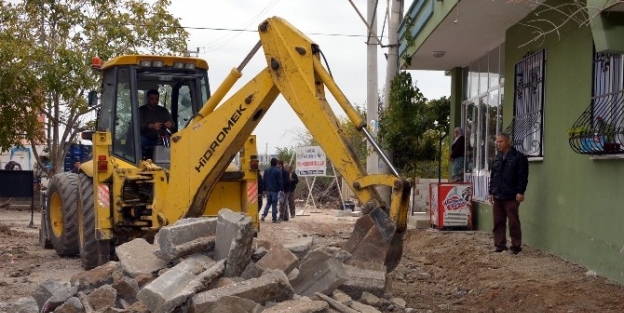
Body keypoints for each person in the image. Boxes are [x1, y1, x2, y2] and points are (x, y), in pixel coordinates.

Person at [488, 132, 529, 255]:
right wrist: (491, 192)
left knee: (513, 222)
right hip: (498, 195)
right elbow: (493, 176)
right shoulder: (497, 158)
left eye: (501, 141)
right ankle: (500, 245)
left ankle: (516, 247)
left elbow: (523, 176)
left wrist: (520, 191)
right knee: (498, 222)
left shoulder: (518, 157)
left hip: (511, 195)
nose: (498, 144)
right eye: (497, 141)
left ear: (508, 142)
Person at [261, 158, 283, 223]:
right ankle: (274, 219)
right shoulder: (278, 171)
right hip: (275, 190)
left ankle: (263, 215)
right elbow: (280, 181)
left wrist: (264, 189)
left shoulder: (266, 170)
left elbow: (264, 180)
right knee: (274, 204)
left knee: (268, 203)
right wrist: (281, 189)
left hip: (268, 190)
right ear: (276, 163)